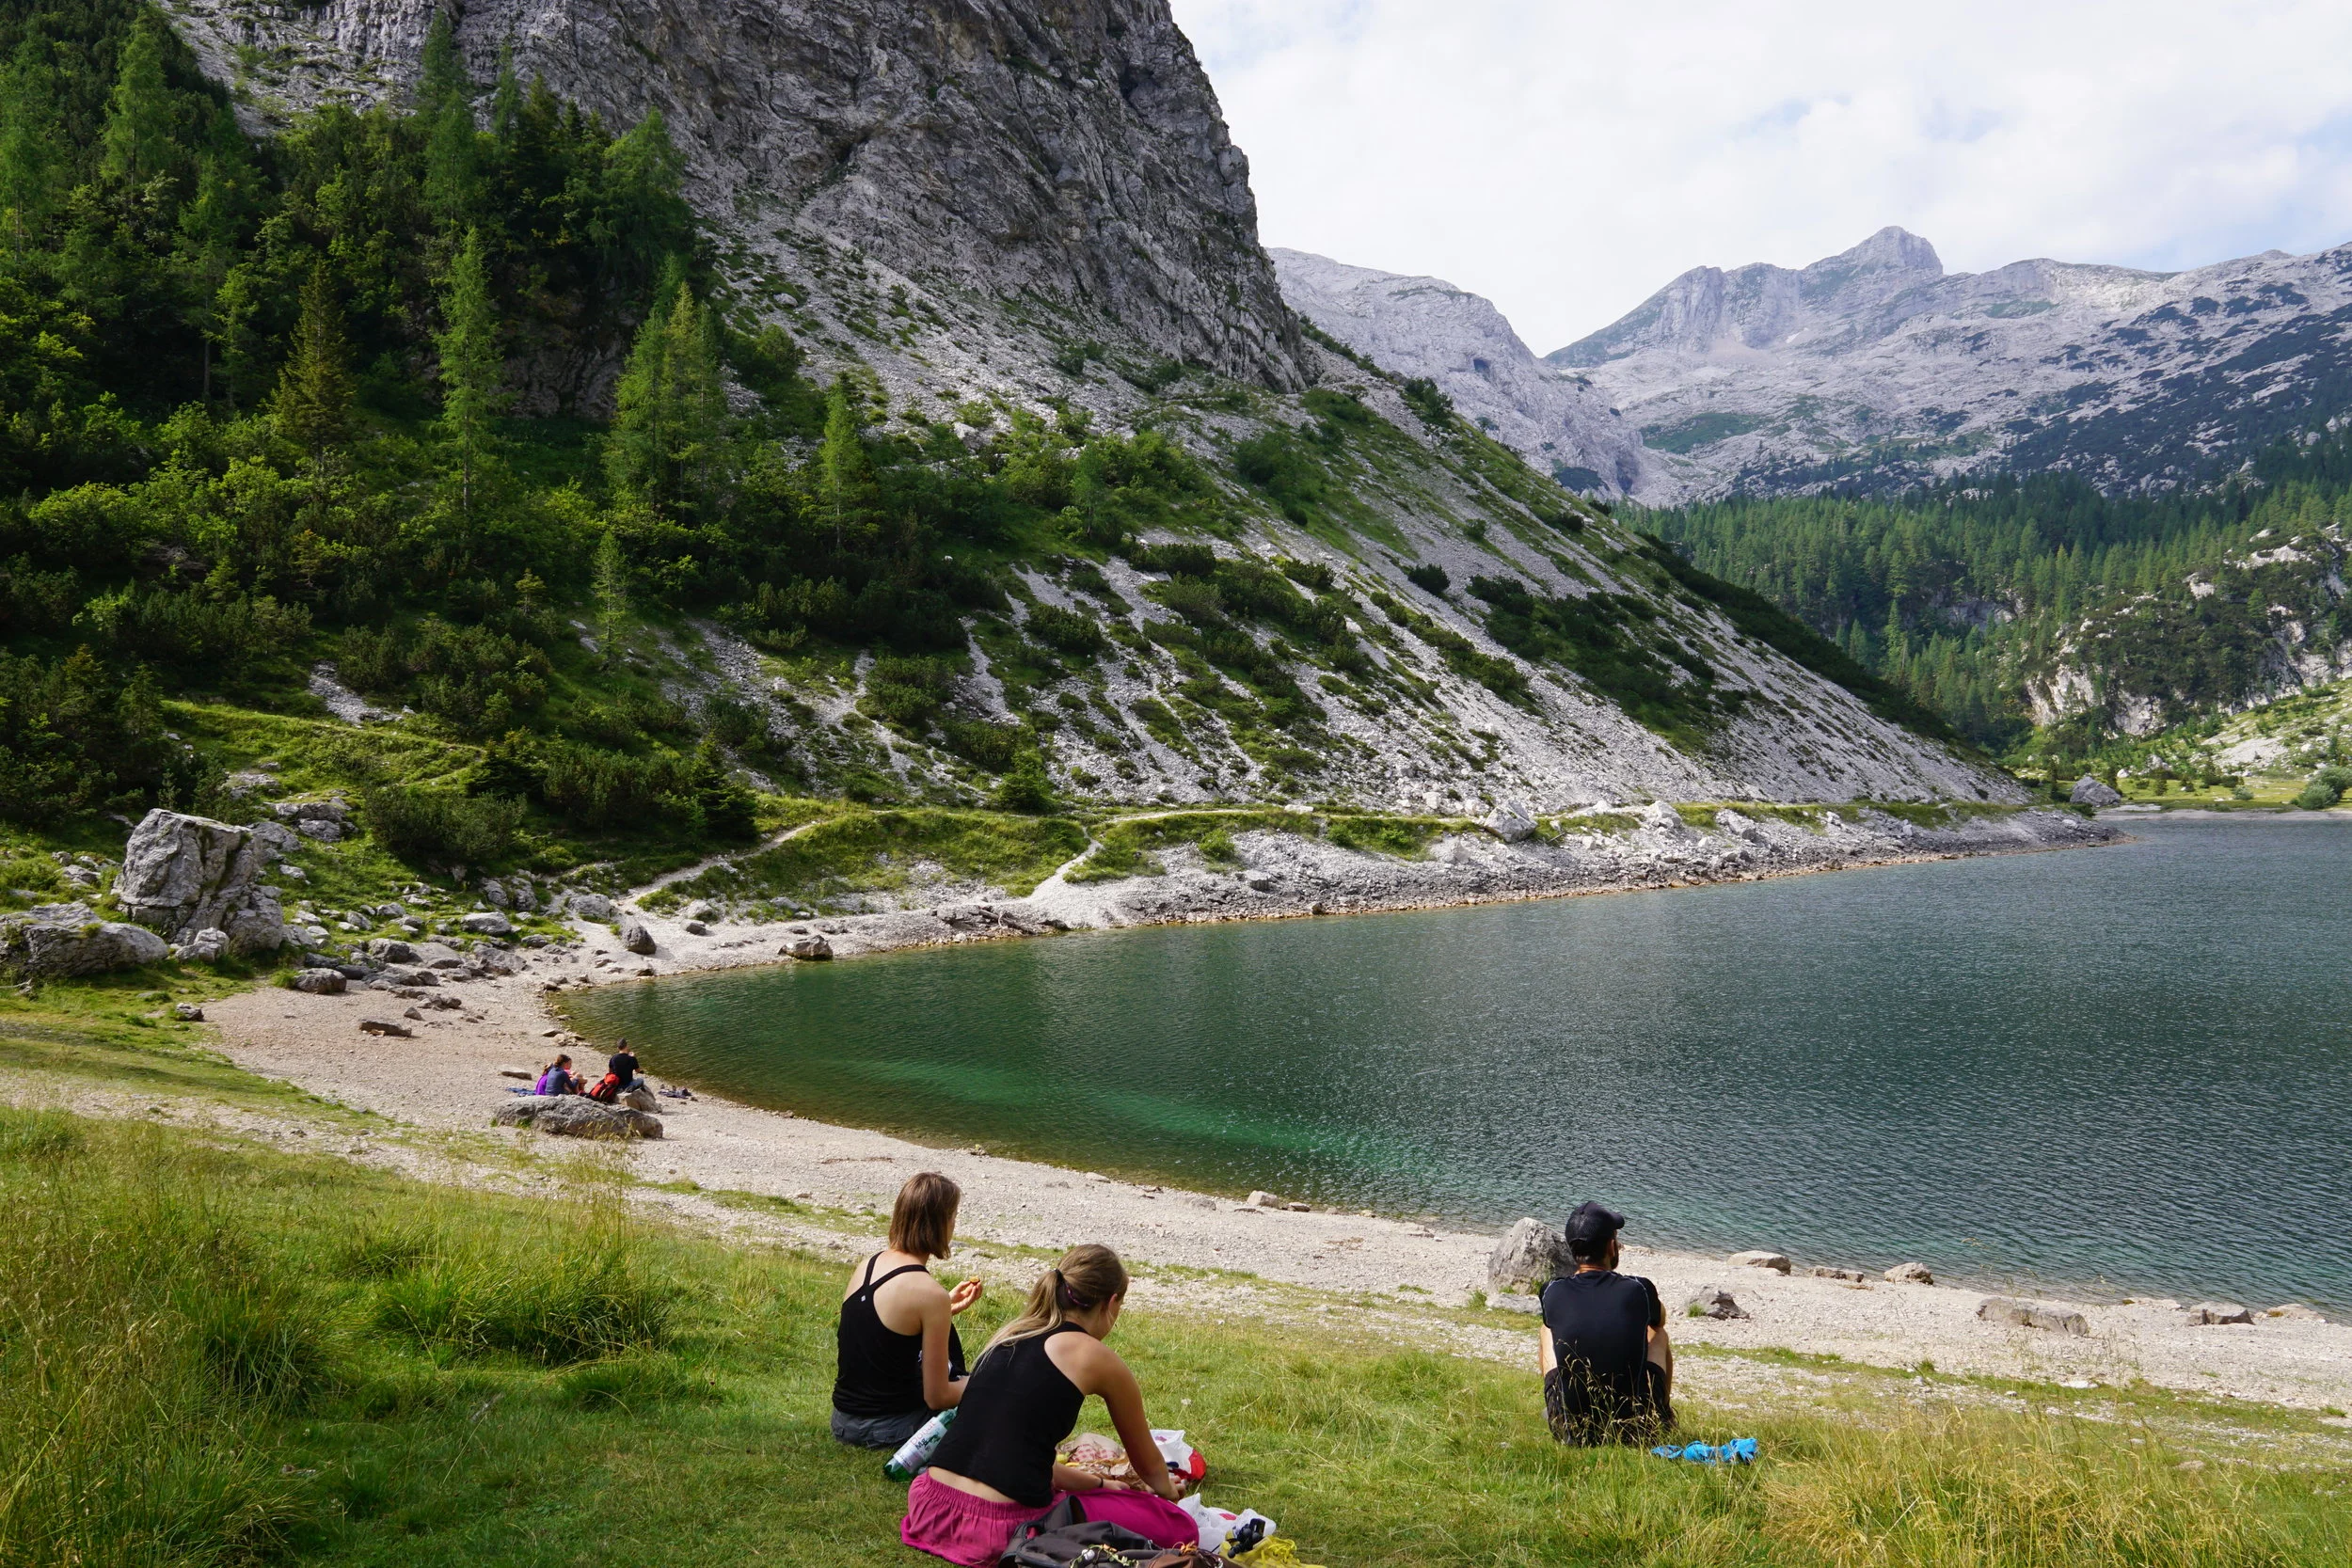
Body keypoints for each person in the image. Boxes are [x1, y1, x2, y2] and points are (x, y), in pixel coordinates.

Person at [902, 1244, 1194, 1566]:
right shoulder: (1095, 1356)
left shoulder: (1009, 1336)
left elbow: (1020, 1457)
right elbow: (1150, 1467)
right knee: (1180, 1526)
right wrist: (1167, 1490)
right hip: (1001, 1528)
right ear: (1111, 1302)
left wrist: (1100, 1483)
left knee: (1088, 1495)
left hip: (931, 1508)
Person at [833, 1172, 984, 1449]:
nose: (954, 1225)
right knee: (991, 1399)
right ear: (939, 1224)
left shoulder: (869, 1264)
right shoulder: (929, 1293)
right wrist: (987, 1384)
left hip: (842, 1421)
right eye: (952, 1217)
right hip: (889, 1428)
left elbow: (882, 1335)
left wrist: (944, 1310)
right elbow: (937, 1398)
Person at [1537, 1200, 1674, 1445]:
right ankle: (1661, 1414)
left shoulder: (1551, 1291)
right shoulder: (1639, 1288)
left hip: (1571, 1431)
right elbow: (1659, 1320)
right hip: (1636, 1428)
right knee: (1658, 1334)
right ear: (1612, 1247)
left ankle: (1559, 1409)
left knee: (1546, 1329)